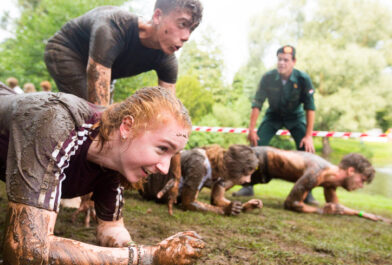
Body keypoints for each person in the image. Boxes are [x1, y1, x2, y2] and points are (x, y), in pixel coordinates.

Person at [0, 78, 204, 265]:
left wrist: (134, 249)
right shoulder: (59, 122)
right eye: (162, 149)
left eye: (172, 155)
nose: (165, 168)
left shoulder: (114, 163)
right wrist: (147, 259)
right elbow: (25, 257)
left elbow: (111, 229)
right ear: (127, 127)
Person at [44, 0, 203, 105]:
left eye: (192, 29)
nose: (187, 37)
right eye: (182, 24)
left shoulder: (167, 60)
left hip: (105, 70)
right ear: (157, 16)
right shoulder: (114, 26)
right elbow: (99, 108)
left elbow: (170, 108)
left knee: (106, 120)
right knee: (90, 114)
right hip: (66, 50)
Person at [234, 45, 317, 204]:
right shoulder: (268, 77)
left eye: (286, 60)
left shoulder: (303, 79)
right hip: (273, 116)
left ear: (293, 61)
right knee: (256, 146)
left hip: (295, 117)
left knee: (307, 151)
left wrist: (308, 136)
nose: (281, 63)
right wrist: (252, 130)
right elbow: (257, 103)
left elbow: (310, 108)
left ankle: (307, 192)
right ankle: (248, 184)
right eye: (279, 59)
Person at [241, 146, 391, 223]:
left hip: (264, 170)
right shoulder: (317, 172)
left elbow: (336, 208)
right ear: (351, 171)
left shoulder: (330, 183)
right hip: (258, 158)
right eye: (362, 180)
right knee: (220, 183)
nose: (361, 185)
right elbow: (291, 203)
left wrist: (366, 215)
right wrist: (319, 211)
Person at [140, 144, 263, 216]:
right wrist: (221, 211)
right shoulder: (200, 163)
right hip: (147, 187)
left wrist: (242, 207)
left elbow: (217, 200)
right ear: (237, 169)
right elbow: (188, 203)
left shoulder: (220, 169)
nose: (248, 180)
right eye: (247, 174)